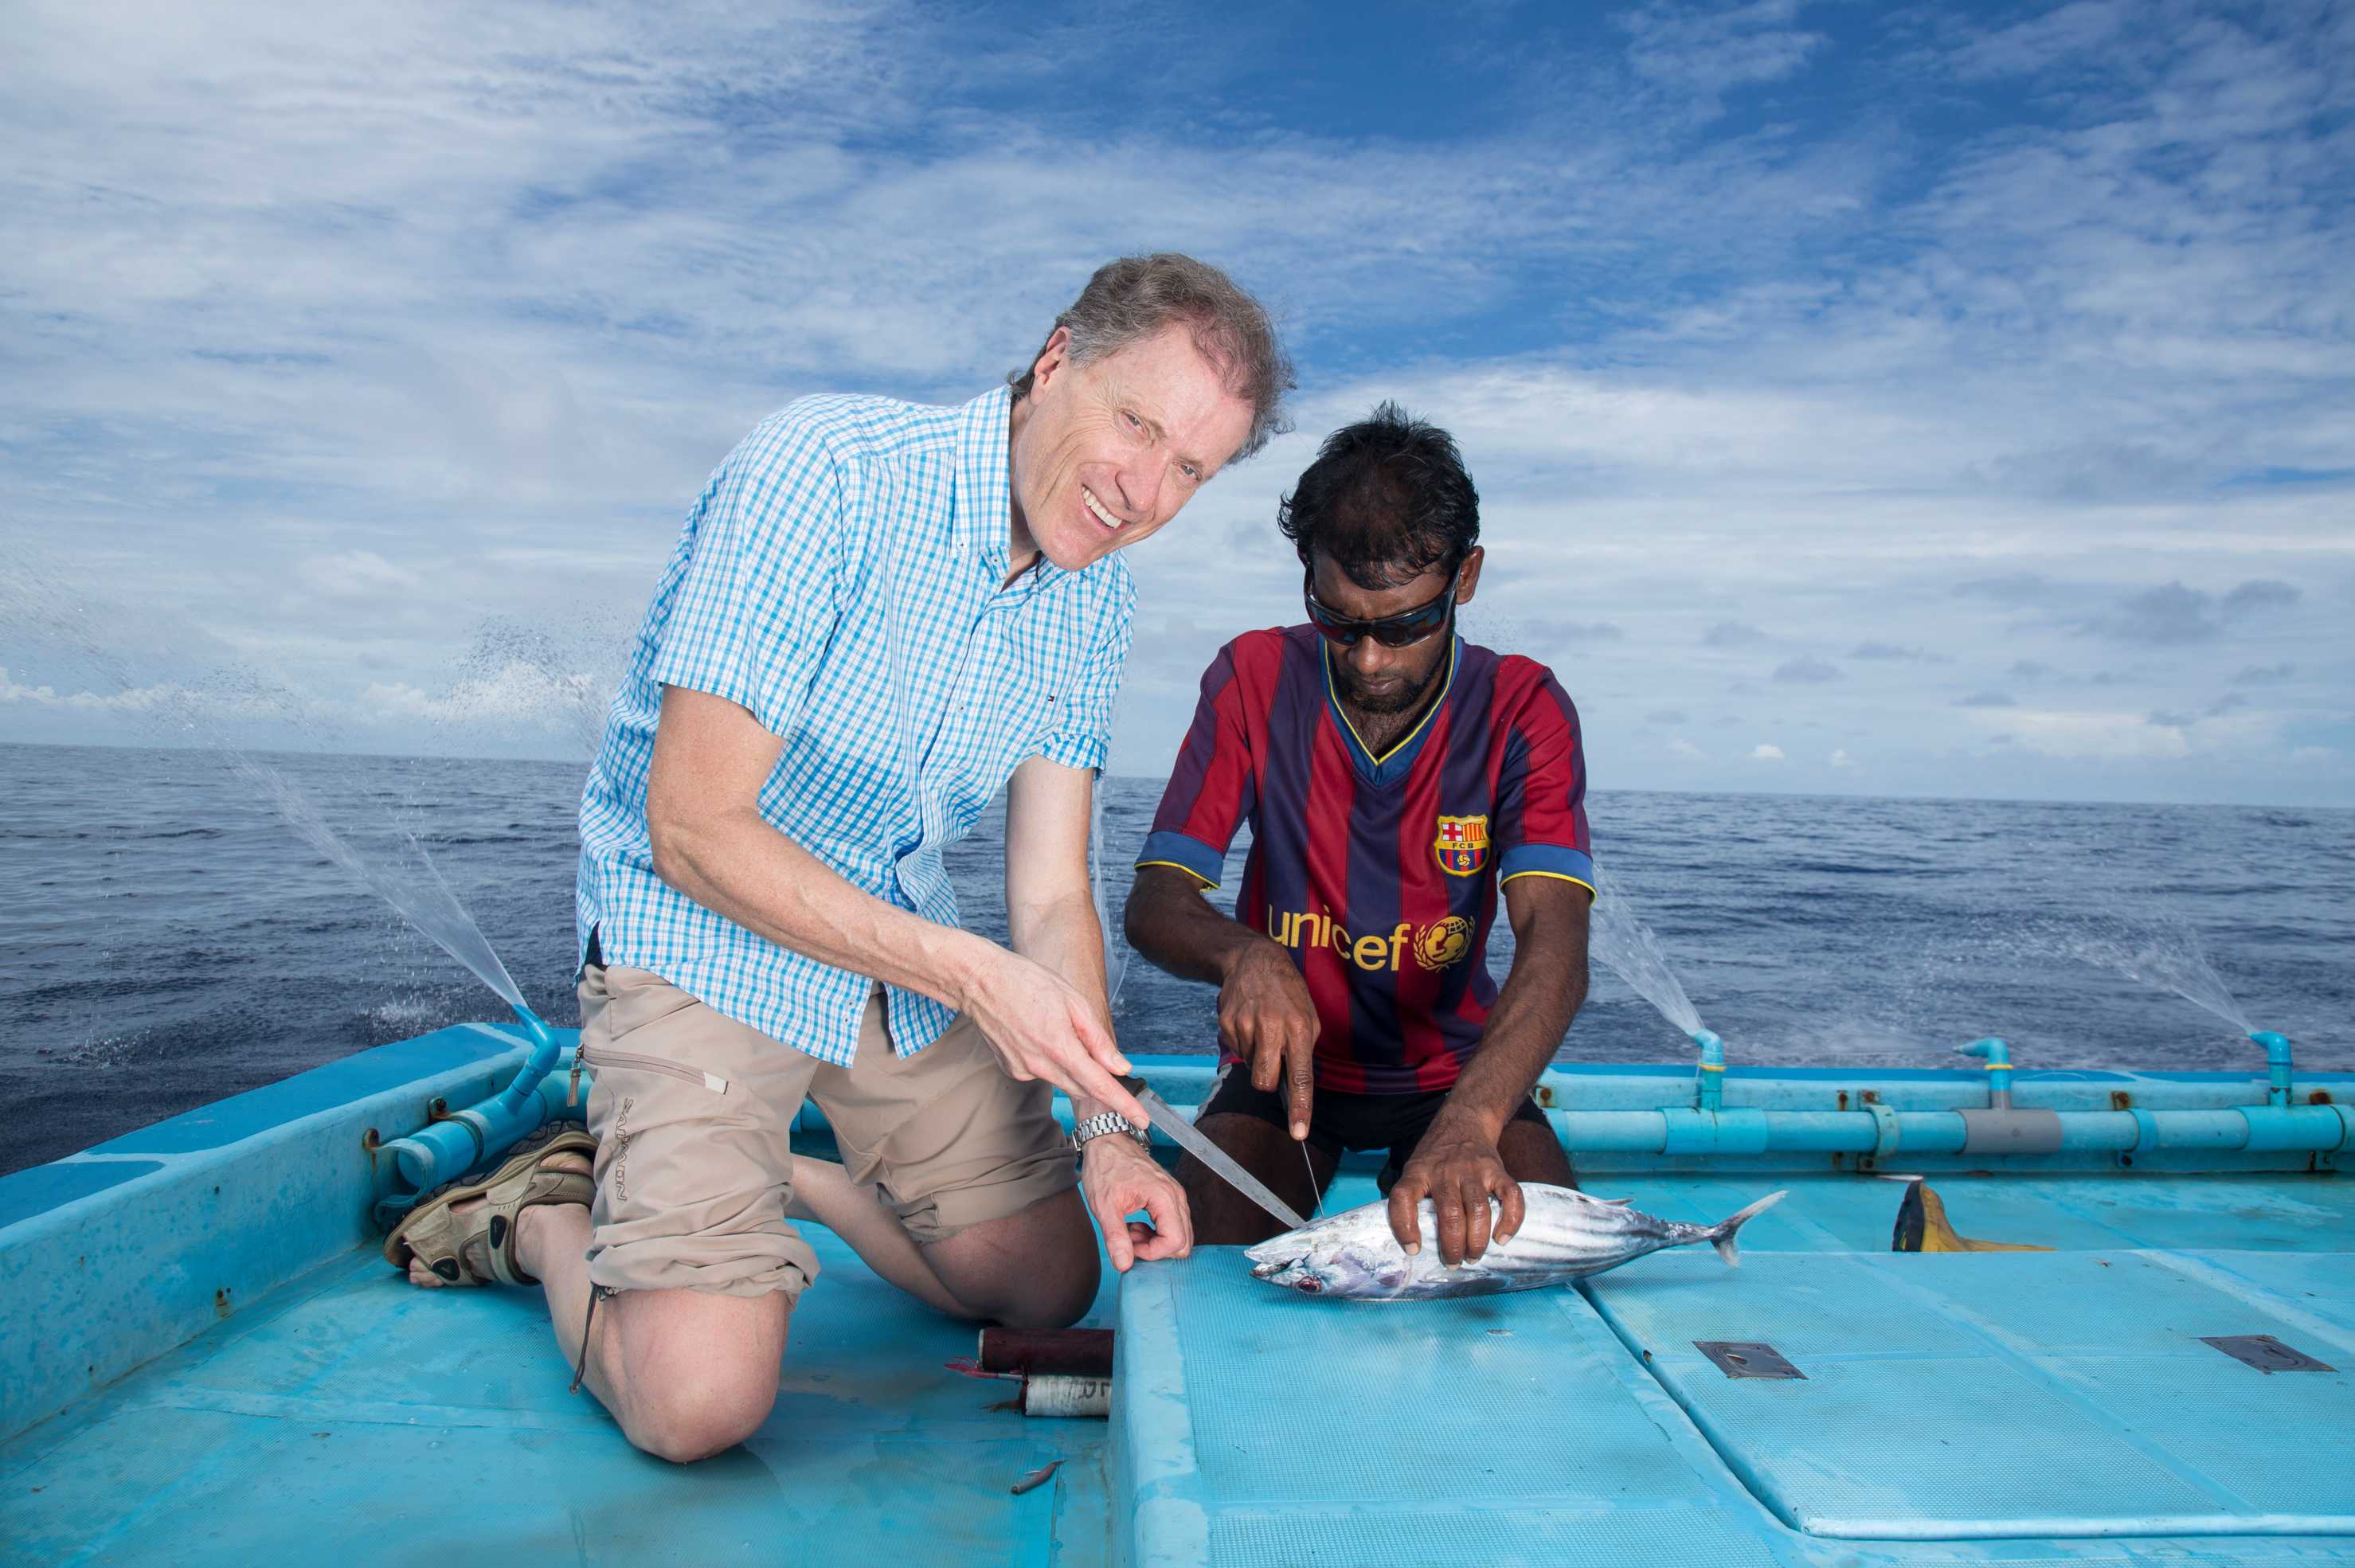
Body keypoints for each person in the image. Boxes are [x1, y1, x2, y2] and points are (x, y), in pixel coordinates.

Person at [384, 254, 1292, 1464]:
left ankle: (780, 1176)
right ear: (1055, 359)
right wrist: (970, 975)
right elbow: (692, 827)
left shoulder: (1097, 603)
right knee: (697, 1407)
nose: (1142, 492)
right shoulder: (824, 471)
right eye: (1136, 423)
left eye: (1189, 468)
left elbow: (1048, 892)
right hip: (696, 937)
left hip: (881, 953)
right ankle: (546, 1213)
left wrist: (1108, 1132)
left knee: (1044, 1281)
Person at [1123, 403, 1594, 1269]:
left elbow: (1555, 946)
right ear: (1306, 572)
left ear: (1465, 577)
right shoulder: (1251, 677)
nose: (1369, 659)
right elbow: (1156, 900)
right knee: (1195, 1275)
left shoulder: (1523, 706)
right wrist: (1242, 954)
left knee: (1539, 1278)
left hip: (1458, 1076)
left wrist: (1471, 1119)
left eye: (1405, 625)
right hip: (1282, 1072)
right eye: (1338, 621)